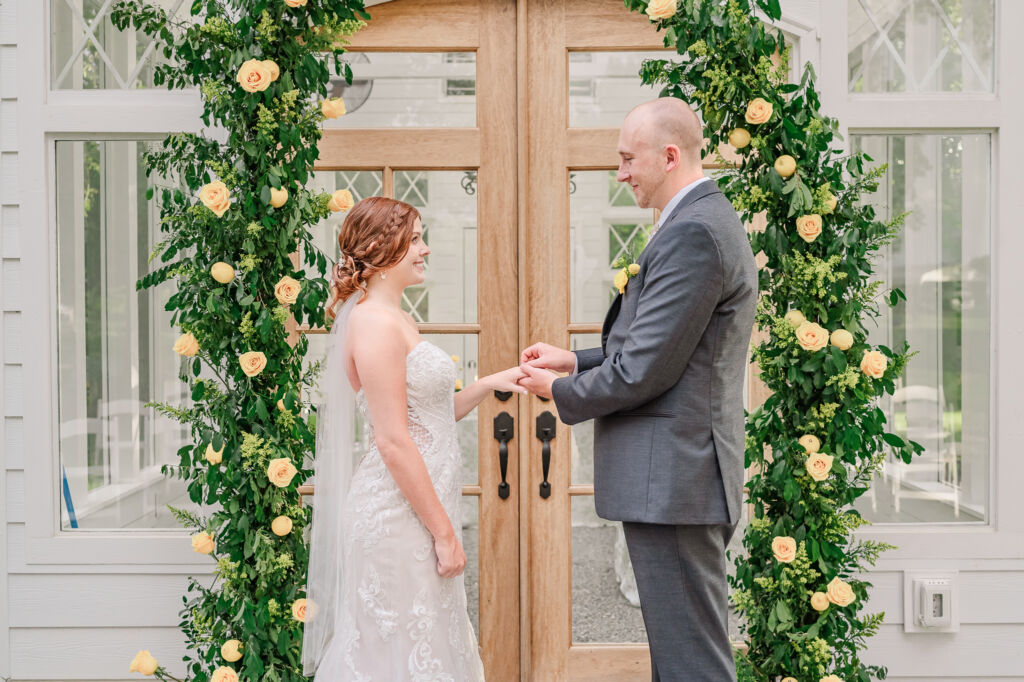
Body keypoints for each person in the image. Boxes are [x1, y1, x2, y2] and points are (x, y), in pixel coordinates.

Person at [518, 98, 757, 681]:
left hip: (677, 480)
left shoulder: (694, 234)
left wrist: (559, 391)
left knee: (692, 664)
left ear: (669, 155)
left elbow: (644, 368)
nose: (620, 172)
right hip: (678, 480)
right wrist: (575, 358)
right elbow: (665, 344)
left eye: (628, 159)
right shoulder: (697, 222)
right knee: (680, 658)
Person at [303, 196, 525, 680]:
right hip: (395, 518)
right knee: (397, 653)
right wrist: (445, 533)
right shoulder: (375, 324)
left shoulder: (397, 318)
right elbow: (393, 440)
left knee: (427, 644)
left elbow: (428, 417)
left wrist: (488, 384)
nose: (425, 249)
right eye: (417, 238)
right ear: (383, 246)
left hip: (417, 510)